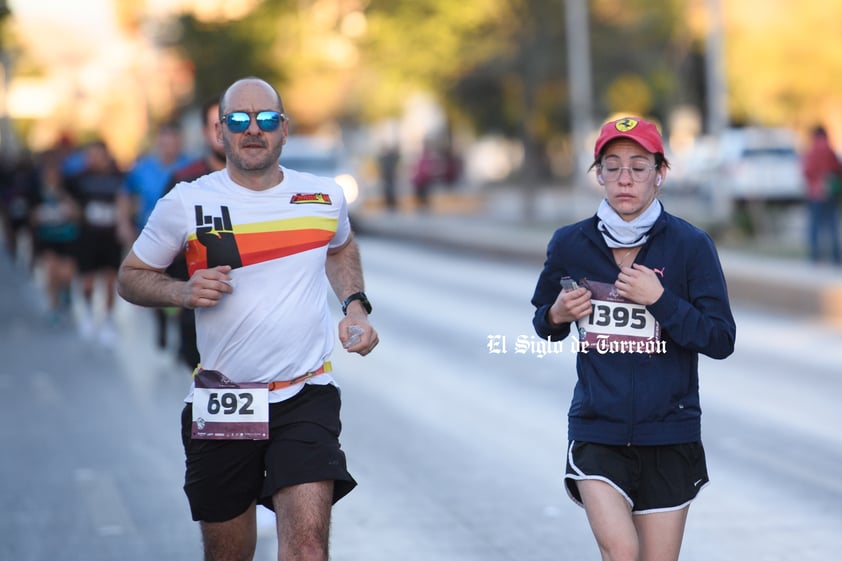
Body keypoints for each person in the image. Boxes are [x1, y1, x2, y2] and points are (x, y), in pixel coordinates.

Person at [116, 76, 379, 561]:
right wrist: (181, 289)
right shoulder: (185, 202)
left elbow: (340, 248)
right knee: (229, 554)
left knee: (306, 549)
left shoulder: (322, 198)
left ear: (284, 129)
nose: (252, 129)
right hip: (225, 398)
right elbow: (130, 276)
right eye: (238, 120)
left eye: (265, 120)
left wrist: (355, 305)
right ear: (220, 133)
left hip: (306, 393)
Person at [531, 116, 736, 561]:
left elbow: (720, 338)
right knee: (622, 552)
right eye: (613, 166)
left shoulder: (690, 246)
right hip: (597, 430)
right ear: (598, 174)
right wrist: (556, 314)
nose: (625, 179)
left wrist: (661, 300)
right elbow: (544, 323)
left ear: (660, 174)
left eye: (638, 167)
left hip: (669, 433)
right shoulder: (570, 243)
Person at [161, 95, 227, 370]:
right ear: (204, 132)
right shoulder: (185, 181)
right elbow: (161, 245)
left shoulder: (264, 185)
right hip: (200, 311)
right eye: (217, 124)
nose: (227, 133)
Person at [121, 121, 192, 349]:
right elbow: (125, 195)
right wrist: (123, 223)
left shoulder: (189, 167)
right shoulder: (142, 169)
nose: (169, 146)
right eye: (165, 142)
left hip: (184, 242)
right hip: (151, 237)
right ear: (158, 143)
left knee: (183, 284)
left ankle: (181, 336)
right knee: (154, 284)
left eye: (174, 142)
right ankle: (161, 325)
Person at [66, 141, 127, 345]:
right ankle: (89, 313)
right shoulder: (78, 179)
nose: (94, 160)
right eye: (90, 155)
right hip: (88, 235)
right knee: (88, 280)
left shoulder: (118, 177)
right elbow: (65, 195)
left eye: (98, 155)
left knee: (110, 279)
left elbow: (126, 200)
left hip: (110, 236)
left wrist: (124, 223)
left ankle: (109, 319)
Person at [29, 149, 80, 326]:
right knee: (51, 272)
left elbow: (77, 214)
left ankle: (66, 291)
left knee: (66, 274)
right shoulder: (36, 191)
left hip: (67, 237)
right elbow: (31, 218)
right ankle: (53, 306)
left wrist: (64, 200)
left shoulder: (70, 188)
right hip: (48, 238)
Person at [800, 125, 842, 265]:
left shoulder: (811, 151)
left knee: (815, 226)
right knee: (832, 226)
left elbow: (806, 171)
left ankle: (815, 257)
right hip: (829, 192)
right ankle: (835, 256)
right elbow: (838, 168)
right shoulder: (829, 150)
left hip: (815, 192)